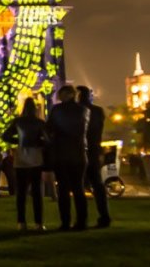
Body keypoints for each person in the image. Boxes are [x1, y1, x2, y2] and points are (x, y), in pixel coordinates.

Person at [46, 84, 88, 231]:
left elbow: (49, 129)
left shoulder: (57, 110)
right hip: (78, 154)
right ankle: (81, 221)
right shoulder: (82, 110)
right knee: (78, 189)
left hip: (62, 154)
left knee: (63, 190)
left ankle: (65, 222)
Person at [1, 97, 46, 231]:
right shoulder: (40, 122)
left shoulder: (18, 122)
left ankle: (21, 222)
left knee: (21, 192)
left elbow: (5, 136)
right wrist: (39, 143)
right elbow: (48, 140)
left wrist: (18, 141)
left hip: (21, 158)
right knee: (37, 193)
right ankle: (38, 223)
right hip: (36, 158)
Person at [77, 86, 111, 228]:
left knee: (78, 185)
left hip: (79, 150)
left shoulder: (78, 111)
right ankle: (104, 215)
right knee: (97, 184)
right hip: (94, 150)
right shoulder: (98, 111)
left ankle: (82, 219)